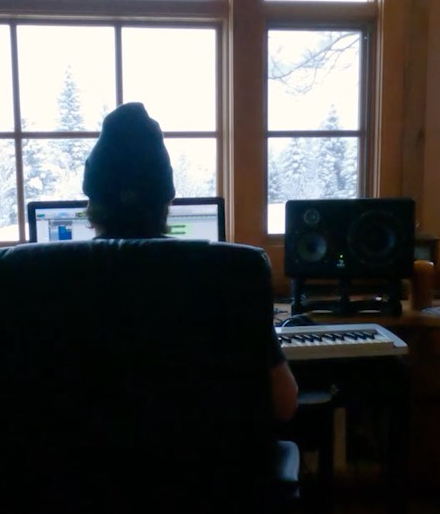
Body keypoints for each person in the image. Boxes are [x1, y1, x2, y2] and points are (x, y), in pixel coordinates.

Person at [82, 101, 299, 423]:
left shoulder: (42, 281)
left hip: (88, 456)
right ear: (167, 200)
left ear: (92, 203)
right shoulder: (235, 274)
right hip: (211, 456)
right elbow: (283, 404)